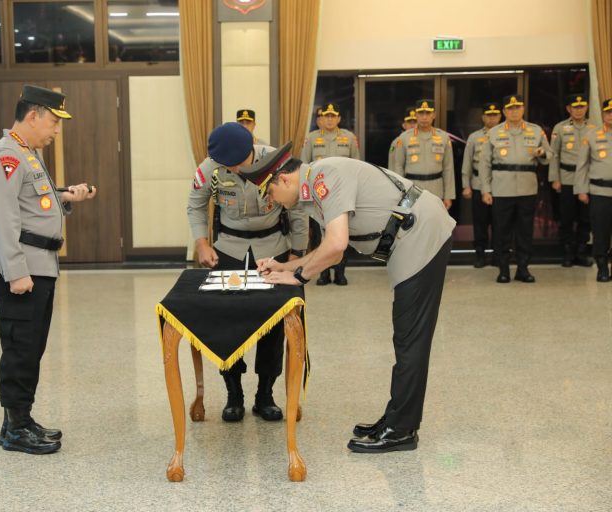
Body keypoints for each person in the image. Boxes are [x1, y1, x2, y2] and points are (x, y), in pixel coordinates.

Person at [241, 152, 455, 453]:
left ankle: (402, 430)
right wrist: (285, 268)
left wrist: (299, 278)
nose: (272, 201)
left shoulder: (323, 177)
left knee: (411, 338)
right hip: (405, 239)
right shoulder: (312, 189)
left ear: (284, 179)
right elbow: (326, 247)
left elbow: (337, 246)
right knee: (406, 337)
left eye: (270, 192)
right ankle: (397, 418)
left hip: (419, 233)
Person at [0, 85, 96, 455]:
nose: (56, 130)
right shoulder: (6, 157)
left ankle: (19, 419)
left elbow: (34, 204)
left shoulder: (26, 153)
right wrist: (16, 272)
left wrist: (65, 197)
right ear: (32, 115)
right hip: (23, 269)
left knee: (31, 348)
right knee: (19, 348)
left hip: (40, 265)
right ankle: (15, 428)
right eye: (53, 122)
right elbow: (4, 219)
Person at [186, 123, 308, 422]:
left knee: (274, 323)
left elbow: (298, 208)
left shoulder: (277, 163)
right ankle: (233, 394)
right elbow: (195, 205)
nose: (236, 169)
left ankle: (265, 394)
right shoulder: (211, 167)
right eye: (229, 165)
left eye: (240, 162)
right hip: (228, 248)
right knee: (228, 323)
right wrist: (202, 244)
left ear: (252, 147)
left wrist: (297, 253)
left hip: (274, 248)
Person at [479, 94, 553, 283]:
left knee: (525, 231)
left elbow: (550, 155)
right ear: (504, 111)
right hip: (501, 188)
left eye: (517, 107)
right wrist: (486, 190)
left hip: (527, 188)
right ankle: (503, 269)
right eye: (510, 108)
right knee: (502, 231)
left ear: (523, 109)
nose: (514, 111)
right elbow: (484, 163)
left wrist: (543, 153)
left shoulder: (536, 131)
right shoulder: (493, 133)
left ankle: (523, 268)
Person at [300, 102, 360, 286]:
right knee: (320, 234)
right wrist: (306, 195)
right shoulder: (311, 138)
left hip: (342, 193)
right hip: (319, 194)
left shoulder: (349, 138)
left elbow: (357, 166)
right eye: (326, 115)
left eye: (333, 116)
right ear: (320, 119)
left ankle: (340, 272)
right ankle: (323, 273)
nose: (330, 119)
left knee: (342, 233)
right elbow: (304, 166)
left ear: (339, 119)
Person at [549, 94, 594, 267]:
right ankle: (567, 253)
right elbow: (554, 155)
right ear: (569, 109)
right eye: (575, 107)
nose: (579, 110)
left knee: (585, 218)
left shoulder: (594, 128)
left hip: (586, 180)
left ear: (586, 107)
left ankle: (581, 253)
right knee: (566, 218)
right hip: (566, 179)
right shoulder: (560, 128)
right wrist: (555, 178)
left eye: (582, 106)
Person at [575, 98, 612, 282]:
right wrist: (581, 189)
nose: (611, 116)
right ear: (603, 114)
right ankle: (602, 267)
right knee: (600, 232)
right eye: (608, 112)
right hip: (600, 192)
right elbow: (582, 165)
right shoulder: (591, 135)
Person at [393, 99, 455, 209]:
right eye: (421, 113)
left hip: (436, 188)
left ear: (434, 115)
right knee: (413, 224)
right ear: (416, 115)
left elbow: (448, 168)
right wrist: (400, 193)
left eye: (428, 113)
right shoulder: (404, 138)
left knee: (434, 222)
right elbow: (398, 167)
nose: (424, 117)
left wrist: (448, 196)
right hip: (411, 188)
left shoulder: (443, 138)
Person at [461, 102, 502, 268]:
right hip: (478, 184)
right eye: (488, 116)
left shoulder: (505, 135)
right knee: (480, 223)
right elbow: (467, 163)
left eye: (495, 115)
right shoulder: (474, 137)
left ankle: (498, 255)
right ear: (483, 117)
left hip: (501, 186)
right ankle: (480, 254)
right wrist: (466, 185)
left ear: (500, 116)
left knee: (500, 223)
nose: (491, 119)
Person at [387, 107, 417, 172]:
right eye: (409, 122)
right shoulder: (397, 142)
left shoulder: (423, 140)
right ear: (403, 125)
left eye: (415, 122)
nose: (412, 126)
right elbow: (392, 166)